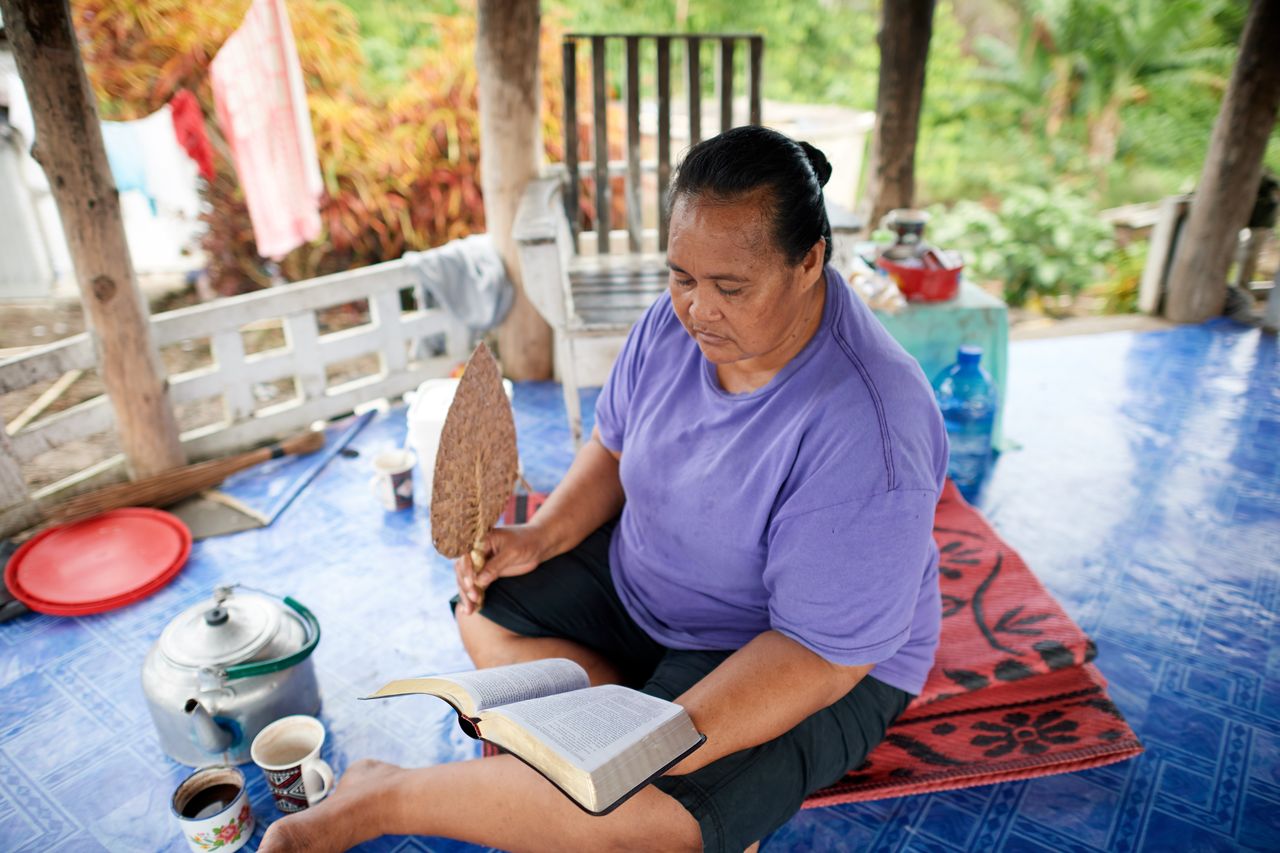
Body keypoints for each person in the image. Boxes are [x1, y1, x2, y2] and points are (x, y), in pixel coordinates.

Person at [261, 126, 947, 853]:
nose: (697, 309)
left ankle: (379, 796)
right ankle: (611, 725)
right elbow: (613, 444)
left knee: (637, 821)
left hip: (791, 652)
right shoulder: (675, 321)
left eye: (730, 287)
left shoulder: (870, 423)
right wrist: (541, 534)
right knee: (482, 608)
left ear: (810, 261)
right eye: (682, 276)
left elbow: (817, 653)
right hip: (646, 584)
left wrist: (667, 739)